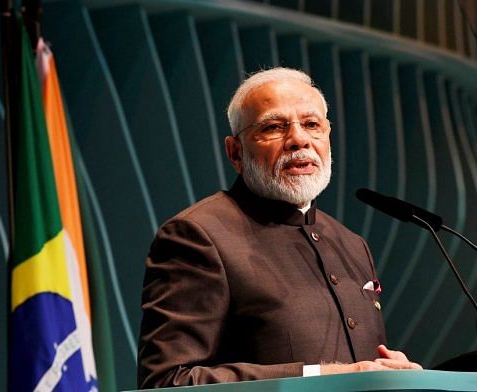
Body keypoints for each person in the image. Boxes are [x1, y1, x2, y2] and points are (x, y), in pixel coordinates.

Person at [137, 68, 422, 388]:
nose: (299, 139)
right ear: (235, 152)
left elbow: (363, 372)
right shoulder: (198, 235)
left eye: (312, 124)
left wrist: (391, 374)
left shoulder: (351, 243)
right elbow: (167, 380)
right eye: (274, 127)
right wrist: (321, 375)